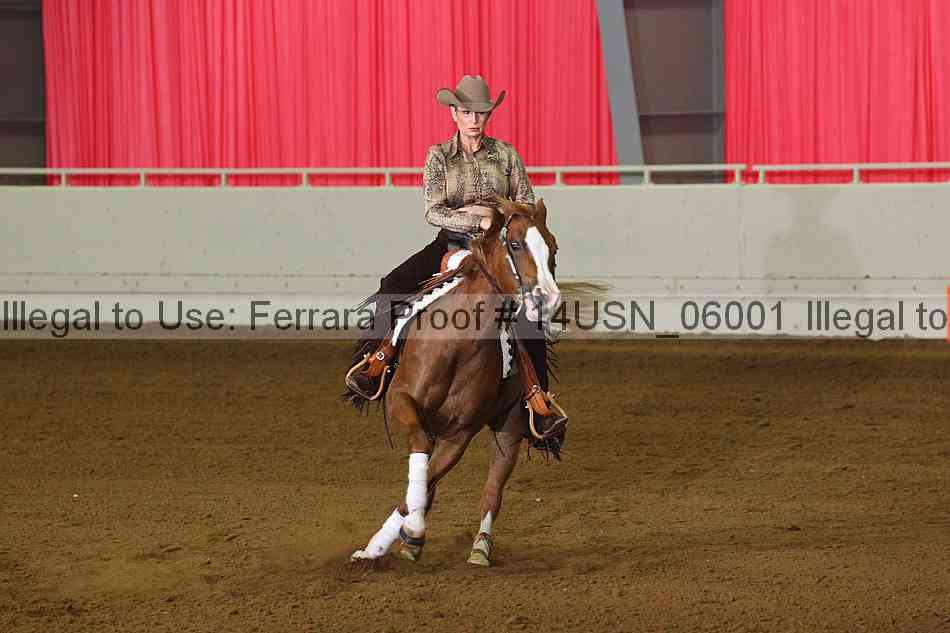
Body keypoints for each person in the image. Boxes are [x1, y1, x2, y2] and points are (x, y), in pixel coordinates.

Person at [345, 75, 551, 411]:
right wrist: (477, 221)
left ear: (488, 115)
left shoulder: (507, 155)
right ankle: (377, 363)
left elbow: (526, 204)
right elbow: (433, 211)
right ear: (454, 113)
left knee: (531, 310)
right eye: (467, 112)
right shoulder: (439, 156)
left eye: (481, 113)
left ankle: (538, 400)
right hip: (450, 243)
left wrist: (492, 218)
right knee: (392, 285)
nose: (474, 120)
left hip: (498, 248)